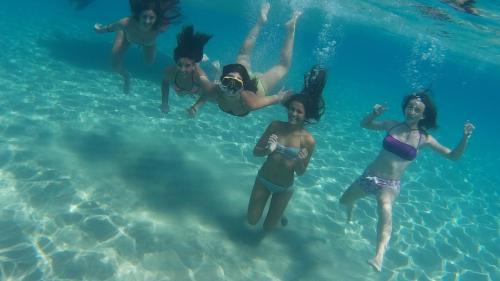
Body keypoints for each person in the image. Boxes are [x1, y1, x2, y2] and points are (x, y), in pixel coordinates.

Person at [339, 91, 475, 272]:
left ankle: (378, 256)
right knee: (344, 200)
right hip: (369, 176)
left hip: (389, 185)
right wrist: (374, 113)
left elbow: (453, 156)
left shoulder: (424, 139)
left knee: (385, 208)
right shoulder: (391, 124)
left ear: (423, 115)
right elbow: (364, 124)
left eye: (416, 109)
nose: (411, 111)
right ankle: (350, 211)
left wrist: (465, 138)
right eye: (410, 107)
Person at [247, 65, 326, 232]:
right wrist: (268, 150)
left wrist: (299, 161)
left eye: (299, 112)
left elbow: (301, 172)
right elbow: (255, 152)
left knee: (268, 228)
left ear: (306, 115)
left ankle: (279, 211)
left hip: (284, 188)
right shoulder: (275, 125)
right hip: (263, 180)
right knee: (252, 221)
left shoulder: (308, 140)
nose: (294, 114)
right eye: (292, 109)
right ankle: (277, 211)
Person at [199, 2, 301, 117]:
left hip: (258, 87)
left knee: (282, 66)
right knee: (244, 55)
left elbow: (276, 98)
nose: (230, 89)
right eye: (227, 82)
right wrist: (195, 107)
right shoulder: (214, 90)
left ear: (243, 86)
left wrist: (280, 97)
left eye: (236, 84)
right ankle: (263, 22)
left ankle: (287, 30)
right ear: (221, 82)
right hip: (244, 76)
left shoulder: (249, 102)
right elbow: (202, 85)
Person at [94, 0, 181, 94]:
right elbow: (109, 28)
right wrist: (99, 30)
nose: (147, 21)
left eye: (151, 18)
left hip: (148, 43)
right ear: (139, 16)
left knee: (149, 63)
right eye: (144, 17)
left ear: (156, 18)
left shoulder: (160, 27)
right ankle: (126, 77)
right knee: (114, 64)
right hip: (126, 37)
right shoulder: (126, 23)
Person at [160, 25, 212, 116]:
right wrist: (164, 103)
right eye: (179, 65)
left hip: (194, 80)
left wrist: (195, 108)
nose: (182, 69)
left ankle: (213, 66)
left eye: (187, 66)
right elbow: (165, 83)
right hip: (186, 87)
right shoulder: (169, 71)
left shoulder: (200, 77)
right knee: (182, 93)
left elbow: (208, 93)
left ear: (193, 65)